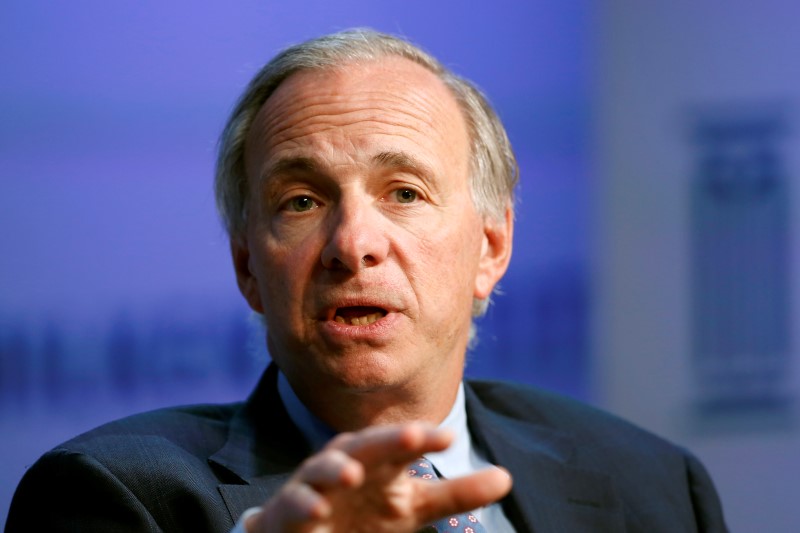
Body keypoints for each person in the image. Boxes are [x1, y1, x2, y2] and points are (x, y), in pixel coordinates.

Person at [6, 29, 728, 532]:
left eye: (404, 193)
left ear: (492, 243)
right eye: (302, 202)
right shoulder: (112, 493)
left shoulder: (655, 486)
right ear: (247, 267)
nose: (352, 244)